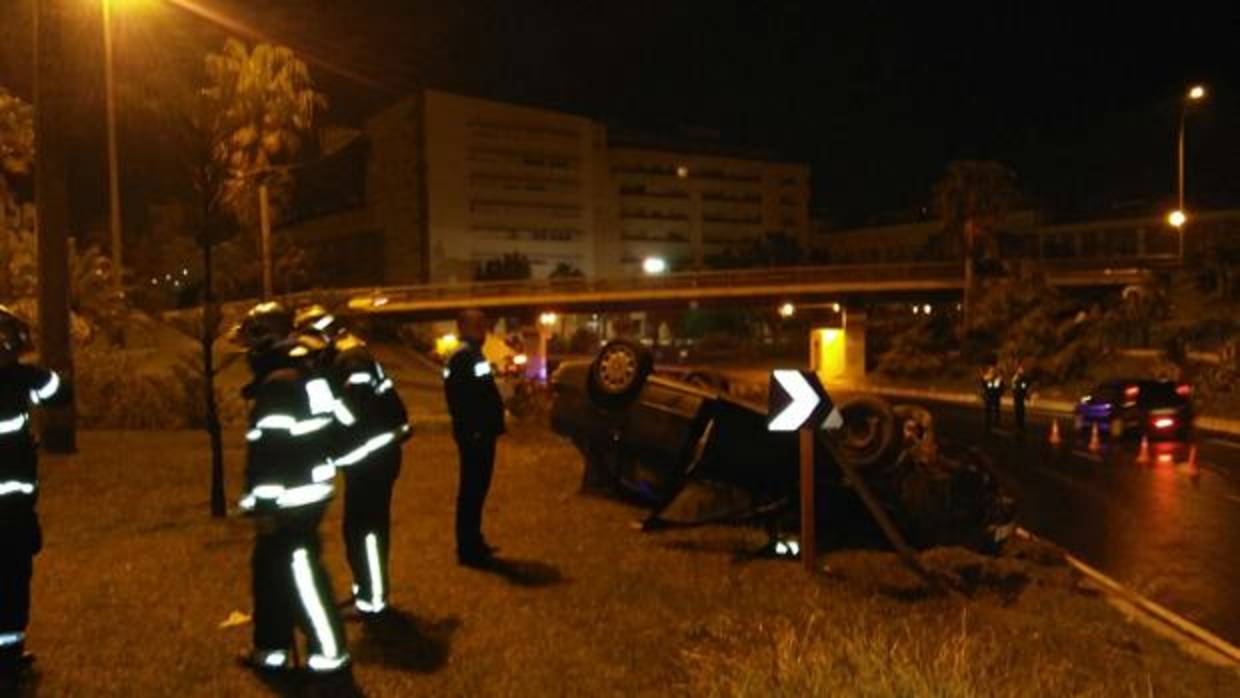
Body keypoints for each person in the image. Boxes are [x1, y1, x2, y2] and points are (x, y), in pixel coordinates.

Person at [232, 302, 352, 678]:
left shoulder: (280, 384)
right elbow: (337, 427)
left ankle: (330, 653)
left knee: (301, 574)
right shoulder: (306, 373)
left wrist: (266, 505)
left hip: (290, 499)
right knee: (267, 573)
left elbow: (272, 453)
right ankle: (271, 650)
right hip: (307, 490)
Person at [294, 305, 410, 617]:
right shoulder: (344, 356)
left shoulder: (351, 359)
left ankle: (373, 601)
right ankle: (365, 591)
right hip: (368, 456)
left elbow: (353, 413)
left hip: (374, 456)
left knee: (366, 530)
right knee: (357, 529)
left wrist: (324, 399)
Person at [0, 306, 71, 682]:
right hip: (13, 508)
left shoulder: (20, 379)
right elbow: (60, 392)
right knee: (12, 578)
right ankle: (8, 653)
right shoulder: (22, 380)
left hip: (15, 505)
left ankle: (9, 651)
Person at [443, 309, 505, 566]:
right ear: (462, 327)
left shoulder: (469, 354)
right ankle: (468, 547)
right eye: (477, 325)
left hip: (478, 432)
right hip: (475, 434)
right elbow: (465, 399)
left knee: (477, 489)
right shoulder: (463, 357)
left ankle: (473, 541)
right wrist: (477, 429)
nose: (483, 330)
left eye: (483, 324)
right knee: (472, 489)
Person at [980, 363, 1003, 432]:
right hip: (989, 396)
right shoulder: (987, 377)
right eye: (990, 370)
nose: (992, 371)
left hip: (995, 395)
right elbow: (984, 384)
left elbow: (999, 386)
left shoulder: (997, 378)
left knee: (996, 409)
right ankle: (989, 423)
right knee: (989, 410)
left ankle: (996, 422)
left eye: (993, 370)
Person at [1011, 363, 1031, 432]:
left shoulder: (1023, 378)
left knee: (1022, 411)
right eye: (1020, 369)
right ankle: (1018, 425)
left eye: (1022, 369)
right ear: (1017, 370)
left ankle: (1021, 424)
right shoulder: (1015, 378)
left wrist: (1027, 396)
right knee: (1017, 411)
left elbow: (1025, 387)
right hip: (1017, 397)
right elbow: (1013, 387)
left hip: (1021, 397)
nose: (1021, 371)